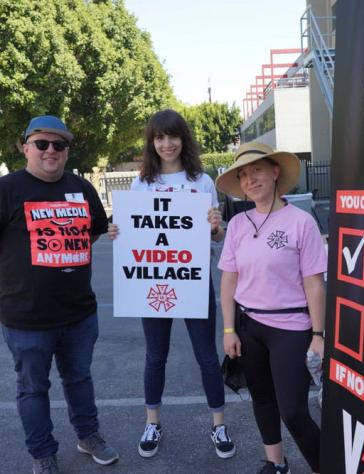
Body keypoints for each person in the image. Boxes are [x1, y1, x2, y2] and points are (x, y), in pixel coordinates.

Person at [107, 109, 235, 460]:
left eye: (173, 136)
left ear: (184, 139)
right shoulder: (142, 183)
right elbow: (130, 232)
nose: (166, 144)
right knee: (155, 357)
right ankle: (152, 422)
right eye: (159, 137)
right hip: (153, 284)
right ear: (152, 142)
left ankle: (218, 424)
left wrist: (215, 227)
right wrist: (116, 232)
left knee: (207, 357)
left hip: (192, 282)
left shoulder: (202, 181)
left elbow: (217, 236)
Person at [0, 115, 118, 474]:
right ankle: (43, 454)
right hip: (26, 318)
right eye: (42, 144)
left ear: (67, 151)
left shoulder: (82, 189)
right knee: (33, 389)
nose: (51, 151)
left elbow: (94, 231)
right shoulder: (7, 190)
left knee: (79, 378)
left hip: (79, 313)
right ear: (26, 148)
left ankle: (88, 436)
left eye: (59, 145)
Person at [216, 142, 327, 474]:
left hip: (291, 327)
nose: (251, 179)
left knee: (293, 411)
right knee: (262, 400)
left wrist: (318, 335)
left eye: (257, 170)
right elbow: (228, 281)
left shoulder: (300, 222)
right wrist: (229, 329)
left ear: (275, 172)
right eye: (244, 175)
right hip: (248, 326)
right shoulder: (237, 224)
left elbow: (314, 283)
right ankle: (276, 464)